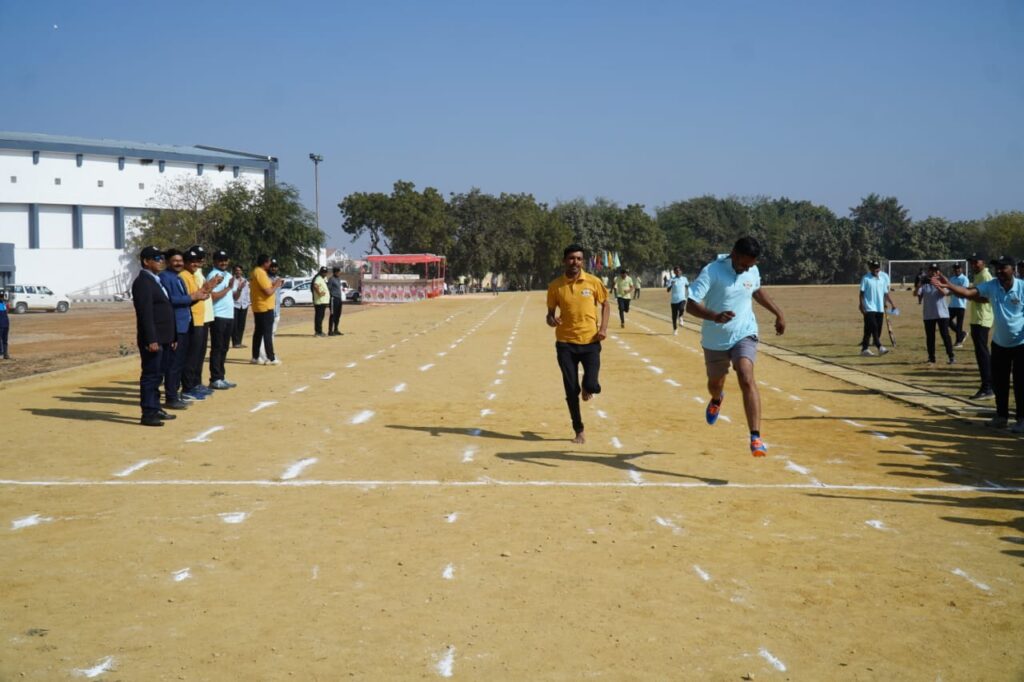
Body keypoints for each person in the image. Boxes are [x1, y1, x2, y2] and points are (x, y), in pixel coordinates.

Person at [686, 237, 786, 457]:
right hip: (715, 339)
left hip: (744, 333)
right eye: (744, 264)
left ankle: (755, 437)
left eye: (751, 265)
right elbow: (690, 305)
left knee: (746, 375)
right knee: (715, 384)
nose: (747, 269)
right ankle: (716, 399)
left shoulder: (752, 269)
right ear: (734, 253)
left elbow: (757, 290)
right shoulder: (712, 271)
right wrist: (714, 316)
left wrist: (778, 313)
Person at [933, 256, 1024, 433]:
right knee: (1000, 383)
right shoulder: (993, 285)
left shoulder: (1022, 287)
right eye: (997, 268)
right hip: (999, 343)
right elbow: (968, 293)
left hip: (1021, 344)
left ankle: (1021, 419)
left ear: (1013, 269)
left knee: (1021, 383)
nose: (999, 271)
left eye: (1003, 267)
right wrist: (949, 285)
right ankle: (1001, 417)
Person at [546, 244, 610, 444]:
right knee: (571, 390)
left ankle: (587, 386)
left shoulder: (593, 282)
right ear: (564, 260)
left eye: (579, 259)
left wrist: (603, 329)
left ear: (583, 261)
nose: (575, 262)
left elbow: (606, 304)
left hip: (590, 342)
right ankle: (579, 430)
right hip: (565, 344)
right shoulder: (555, 286)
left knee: (592, 385)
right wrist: (552, 320)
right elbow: (549, 315)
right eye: (572, 258)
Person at [131, 246, 176, 427]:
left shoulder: (156, 280)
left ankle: (156, 407)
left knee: (159, 375)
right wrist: (151, 339)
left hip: (164, 338)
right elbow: (145, 314)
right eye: (157, 258)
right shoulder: (142, 282)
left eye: (162, 258)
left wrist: (173, 337)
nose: (161, 261)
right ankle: (148, 413)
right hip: (153, 339)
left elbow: (166, 309)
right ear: (146, 261)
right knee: (151, 375)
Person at [159, 249, 204, 410]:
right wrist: (192, 297)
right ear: (167, 262)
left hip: (184, 324)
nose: (178, 263)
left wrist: (197, 297)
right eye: (175, 261)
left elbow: (185, 301)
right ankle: (171, 397)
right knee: (174, 363)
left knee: (179, 362)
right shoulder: (165, 277)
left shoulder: (177, 277)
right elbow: (169, 300)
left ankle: (175, 394)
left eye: (180, 261)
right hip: (175, 326)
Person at [179, 248, 221, 401]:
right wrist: (208, 287)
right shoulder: (184, 276)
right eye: (192, 261)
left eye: (198, 260)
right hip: (194, 319)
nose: (196, 263)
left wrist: (210, 287)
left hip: (201, 318)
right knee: (191, 356)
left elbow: (202, 293)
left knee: (198, 354)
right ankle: (188, 388)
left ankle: (195, 384)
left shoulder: (194, 274)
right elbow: (194, 295)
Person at [965, 253, 995, 400]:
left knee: (982, 353)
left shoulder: (985, 276)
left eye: (976, 262)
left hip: (983, 319)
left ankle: (988, 387)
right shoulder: (978, 276)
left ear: (983, 262)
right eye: (972, 263)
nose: (973, 265)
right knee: (980, 353)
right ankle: (987, 385)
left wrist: (969, 295)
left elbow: (988, 298)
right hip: (976, 318)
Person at [207, 251, 236, 390]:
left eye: (225, 260)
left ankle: (221, 377)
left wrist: (237, 289)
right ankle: (215, 378)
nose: (223, 262)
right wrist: (228, 288)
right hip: (218, 315)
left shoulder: (228, 275)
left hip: (229, 315)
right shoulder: (213, 275)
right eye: (220, 260)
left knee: (224, 348)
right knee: (217, 347)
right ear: (214, 261)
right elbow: (213, 296)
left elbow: (232, 296)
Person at [916, 263, 955, 365]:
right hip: (928, 314)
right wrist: (919, 284)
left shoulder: (942, 281)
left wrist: (936, 285)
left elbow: (945, 293)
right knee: (930, 337)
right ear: (928, 271)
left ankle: (951, 356)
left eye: (935, 270)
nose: (933, 272)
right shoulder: (925, 283)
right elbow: (916, 294)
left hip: (942, 314)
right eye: (931, 270)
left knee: (945, 335)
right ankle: (931, 358)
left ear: (938, 272)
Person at [250, 254, 283, 365]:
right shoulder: (260, 273)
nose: (270, 264)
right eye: (269, 262)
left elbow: (265, 287)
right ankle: (271, 358)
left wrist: (273, 284)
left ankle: (255, 357)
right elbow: (268, 292)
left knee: (258, 333)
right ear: (265, 263)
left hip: (259, 307)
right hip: (265, 307)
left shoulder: (256, 272)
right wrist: (276, 285)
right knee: (267, 333)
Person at [859, 259, 895, 357]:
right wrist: (861, 305)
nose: (876, 269)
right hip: (869, 307)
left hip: (879, 308)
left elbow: (885, 294)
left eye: (877, 268)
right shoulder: (866, 278)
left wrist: (892, 303)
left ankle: (864, 349)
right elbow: (861, 293)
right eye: (874, 268)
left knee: (870, 329)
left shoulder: (882, 279)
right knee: (874, 326)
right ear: (870, 268)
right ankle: (879, 347)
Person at [947, 262, 969, 348]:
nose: (957, 270)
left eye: (958, 268)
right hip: (952, 304)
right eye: (955, 268)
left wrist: (953, 290)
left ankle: (959, 342)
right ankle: (962, 334)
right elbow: (949, 290)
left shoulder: (964, 279)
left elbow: (963, 290)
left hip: (961, 305)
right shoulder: (952, 279)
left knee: (959, 324)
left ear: (961, 269)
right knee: (947, 321)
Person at [231, 264, 250, 348]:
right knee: (234, 325)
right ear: (234, 271)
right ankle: (235, 342)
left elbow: (247, 293)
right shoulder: (232, 281)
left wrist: (248, 302)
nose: (238, 272)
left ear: (242, 271)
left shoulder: (245, 281)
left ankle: (239, 341)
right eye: (236, 270)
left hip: (244, 305)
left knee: (241, 324)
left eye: (239, 270)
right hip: (235, 305)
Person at [666, 266, 689, 335]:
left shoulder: (684, 279)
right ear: (674, 272)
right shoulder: (671, 280)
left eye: (679, 271)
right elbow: (668, 290)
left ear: (681, 271)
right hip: (674, 301)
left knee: (681, 308)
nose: (678, 272)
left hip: (682, 298)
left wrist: (690, 293)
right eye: (676, 271)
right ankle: (675, 329)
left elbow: (687, 286)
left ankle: (681, 317)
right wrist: (671, 285)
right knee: (674, 317)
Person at [312, 266, 330, 337]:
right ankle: (318, 332)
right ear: (320, 272)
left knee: (320, 317)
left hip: (322, 301)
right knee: (319, 317)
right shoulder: (318, 278)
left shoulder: (322, 279)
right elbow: (315, 285)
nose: (324, 273)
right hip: (320, 302)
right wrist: (319, 293)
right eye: (323, 272)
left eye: (325, 272)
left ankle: (319, 331)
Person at [327, 266, 345, 336]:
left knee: (338, 315)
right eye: (338, 272)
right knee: (333, 315)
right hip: (333, 299)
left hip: (339, 299)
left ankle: (336, 329)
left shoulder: (338, 279)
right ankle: (330, 331)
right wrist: (331, 295)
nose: (339, 273)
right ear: (335, 272)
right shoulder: (331, 279)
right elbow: (328, 288)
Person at [0, 289, 10, 360]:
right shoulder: (4, 303)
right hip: (3, 324)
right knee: (3, 339)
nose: (2, 297)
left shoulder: (4, 304)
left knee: (4, 339)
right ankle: (3, 353)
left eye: (2, 296)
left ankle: (5, 354)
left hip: (5, 324)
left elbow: (7, 312)